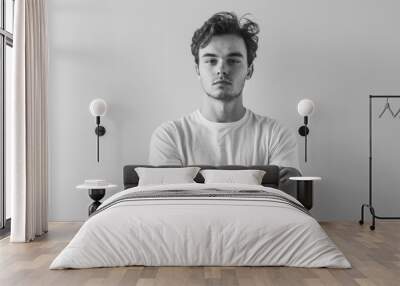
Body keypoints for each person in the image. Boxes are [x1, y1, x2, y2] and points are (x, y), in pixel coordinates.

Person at [148, 12, 300, 187]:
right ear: (197, 69)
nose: (221, 69)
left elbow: (286, 205)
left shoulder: (276, 135)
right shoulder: (170, 136)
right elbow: (166, 206)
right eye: (211, 60)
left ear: (249, 70)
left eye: (233, 60)